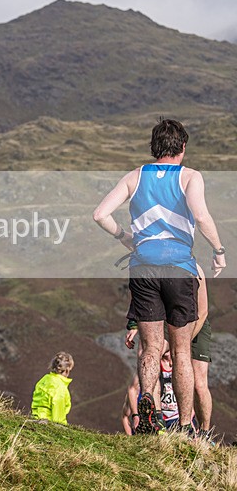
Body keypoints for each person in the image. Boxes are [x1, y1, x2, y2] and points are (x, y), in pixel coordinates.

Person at [94, 118, 226, 434]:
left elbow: (100, 214)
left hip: (142, 268)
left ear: (155, 148)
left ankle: (147, 408)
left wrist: (124, 237)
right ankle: (183, 424)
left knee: (151, 348)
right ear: (182, 147)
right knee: (180, 351)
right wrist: (218, 250)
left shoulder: (134, 177)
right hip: (178, 267)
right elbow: (200, 215)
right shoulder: (190, 177)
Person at [123, 262, 213, 437]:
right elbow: (142, 299)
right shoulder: (152, 263)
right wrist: (134, 324)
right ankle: (156, 422)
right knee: (150, 352)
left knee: (199, 383)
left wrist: (180, 344)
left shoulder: (195, 268)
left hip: (197, 323)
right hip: (168, 320)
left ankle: (204, 432)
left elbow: (203, 311)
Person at [31, 352, 74, 425]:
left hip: (36, 419)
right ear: (67, 369)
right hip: (47, 423)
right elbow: (58, 414)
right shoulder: (60, 387)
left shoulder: (44, 379)